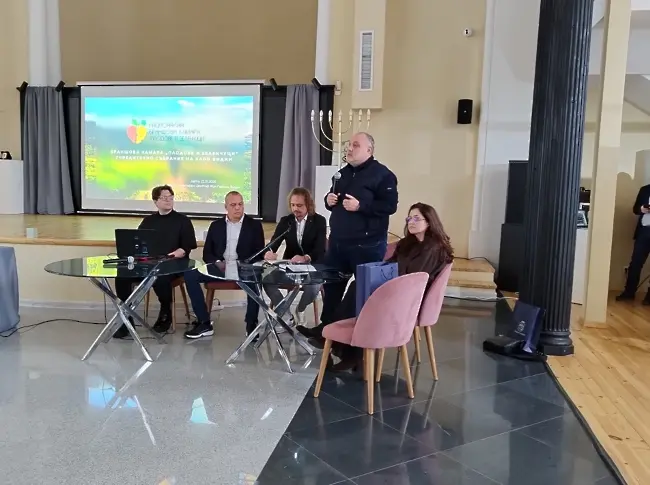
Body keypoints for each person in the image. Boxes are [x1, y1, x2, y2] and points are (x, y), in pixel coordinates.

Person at [327, 202, 454, 371]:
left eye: (417, 218)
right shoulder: (408, 243)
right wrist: (376, 275)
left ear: (429, 222)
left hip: (411, 299)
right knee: (359, 286)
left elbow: (415, 279)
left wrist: (385, 281)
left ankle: (347, 349)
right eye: (409, 218)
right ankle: (351, 352)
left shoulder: (433, 248)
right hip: (396, 288)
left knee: (362, 293)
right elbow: (390, 264)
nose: (411, 222)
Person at [297, 132, 398, 339]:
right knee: (332, 289)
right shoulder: (342, 174)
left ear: (369, 150)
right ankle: (326, 331)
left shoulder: (383, 175)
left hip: (367, 246)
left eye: (355, 145)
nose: (349, 148)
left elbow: (390, 206)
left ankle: (359, 337)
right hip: (338, 244)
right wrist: (328, 200)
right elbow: (331, 199)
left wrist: (361, 206)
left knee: (362, 293)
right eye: (349, 145)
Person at [113, 185, 197, 338]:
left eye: (170, 197)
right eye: (164, 198)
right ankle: (126, 320)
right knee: (122, 278)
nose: (168, 200)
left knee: (160, 276)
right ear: (155, 201)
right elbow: (138, 242)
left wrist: (173, 255)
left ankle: (165, 313)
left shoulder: (183, 221)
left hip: (173, 264)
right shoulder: (148, 221)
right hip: (149, 263)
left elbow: (186, 247)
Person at [183, 191, 265, 339]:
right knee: (190, 275)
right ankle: (204, 323)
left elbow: (259, 253)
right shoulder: (216, 225)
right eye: (233, 205)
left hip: (243, 268)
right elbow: (207, 253)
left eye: (240, 204)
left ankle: (251, 324)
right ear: (226, 207)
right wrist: (217, 263)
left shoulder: (254, 225)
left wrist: (244, 264)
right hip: (220, 267)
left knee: (255, 278)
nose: (237, 208)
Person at [263, 187, 327, 324]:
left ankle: (300, 309)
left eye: (299, 205)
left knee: (314, 286)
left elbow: (320, 249)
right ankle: (287, 315)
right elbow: (274, 243)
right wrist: (269, 252)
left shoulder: (319, 221)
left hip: (312, 265)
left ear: (308, 205)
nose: (295, 209)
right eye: (293, 205)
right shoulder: (286, 221)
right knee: (266, 280)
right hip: (290, 266)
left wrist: (305, 258)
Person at [617, 183, 650, 303]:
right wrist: (642, 209)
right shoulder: (645, 189)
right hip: (644, 231)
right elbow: (635, 209)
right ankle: (629, 292)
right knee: (635, 263)